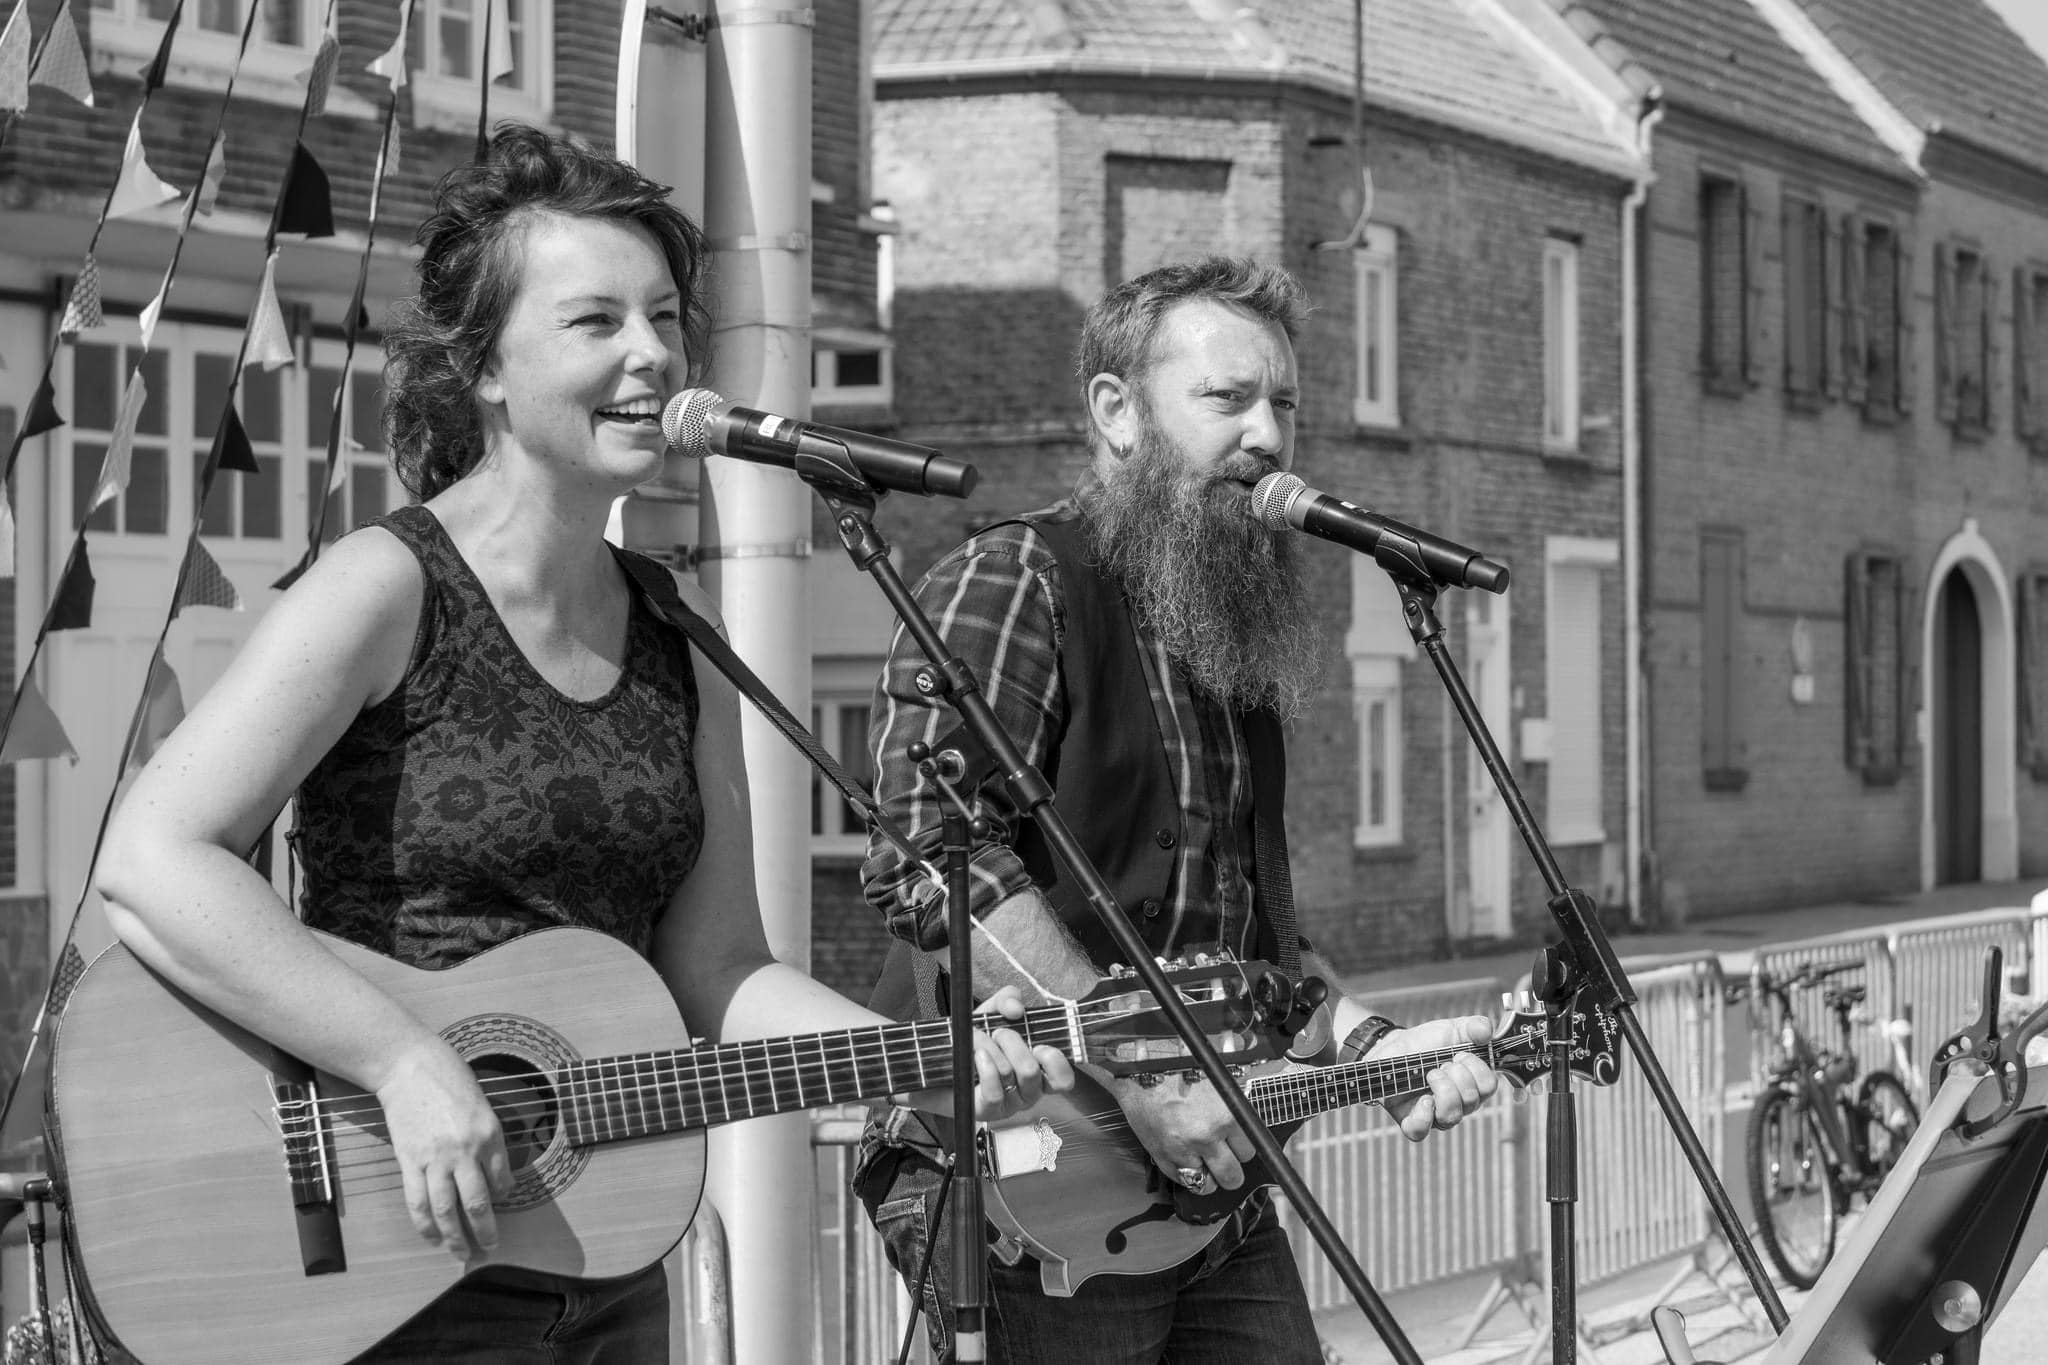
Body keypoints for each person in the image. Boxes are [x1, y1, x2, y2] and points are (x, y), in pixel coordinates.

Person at [94, 123, 1072, 1363]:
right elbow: (153, 857)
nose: (653, 355)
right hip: (387, 1257)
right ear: (485, 370)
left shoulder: (678, 627)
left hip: (599, 1262)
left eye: (663, 317)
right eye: (594, 321)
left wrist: (906, 1061)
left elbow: (717, 969)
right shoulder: (386, 586)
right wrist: (403, 1063)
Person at [853, 255, 1501, 1363]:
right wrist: (1143, 1072)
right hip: (1026, 1159)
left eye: (1284, 405)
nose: (1265, 436)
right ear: (1117, 413)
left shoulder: (1220, 639)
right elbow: (930, 854)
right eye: (1226, 400)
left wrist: (1379, 1050)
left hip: (1204, 1175)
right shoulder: (1020, 577)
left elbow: (1249, 962)